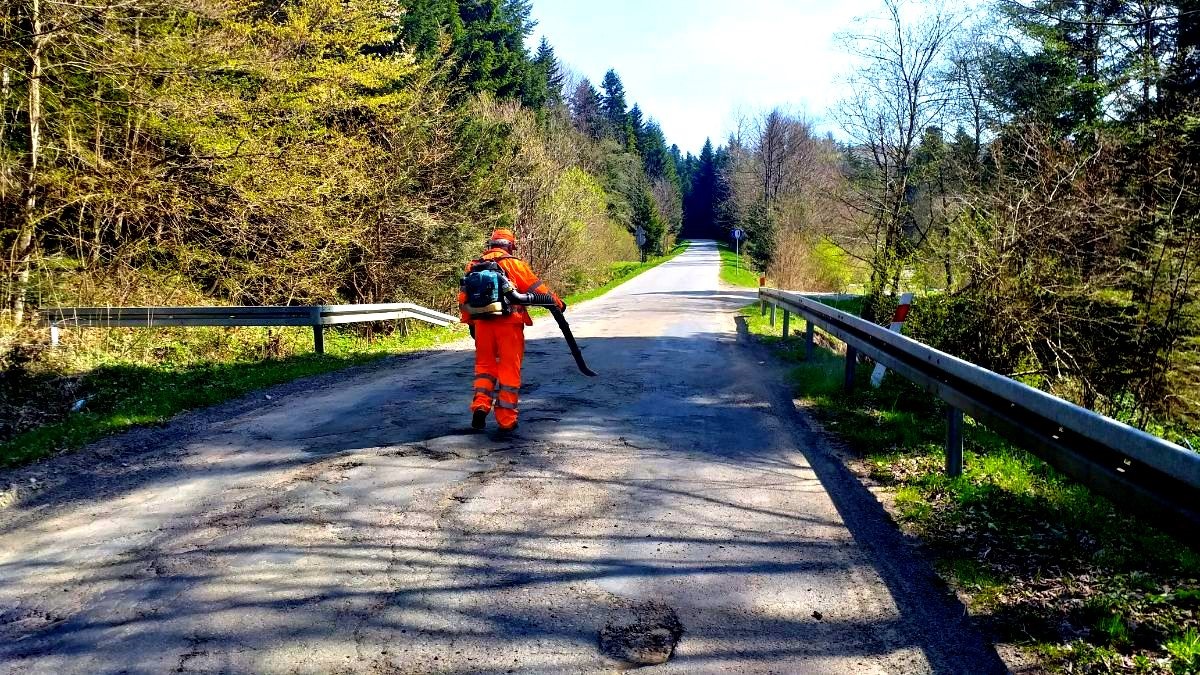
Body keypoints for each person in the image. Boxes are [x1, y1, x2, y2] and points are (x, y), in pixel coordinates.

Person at [458, 228, 564, 433]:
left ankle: (480, 405)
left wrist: (470, 323)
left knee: (484, 366)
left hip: (482, 325)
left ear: (491, 245)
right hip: (509, 325)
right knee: (509, 369)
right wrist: (558, 304)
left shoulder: (473, 267)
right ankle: (506, 419)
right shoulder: (513, 264)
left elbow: (464, 299)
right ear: (510, 245)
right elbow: (538, 289)